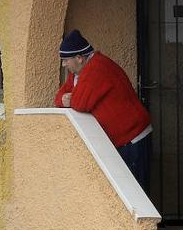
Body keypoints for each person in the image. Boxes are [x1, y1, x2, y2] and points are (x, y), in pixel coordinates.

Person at [54, 29, 152, 190]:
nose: (64, 65)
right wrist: (65, 99)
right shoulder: (79, 72)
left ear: (79, 58)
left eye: (66, 60)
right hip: (123, 141)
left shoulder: (97, 68)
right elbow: (59, 96)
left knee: (135, 191)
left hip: (133, 139)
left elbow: (80, 103)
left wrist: (69, 98)